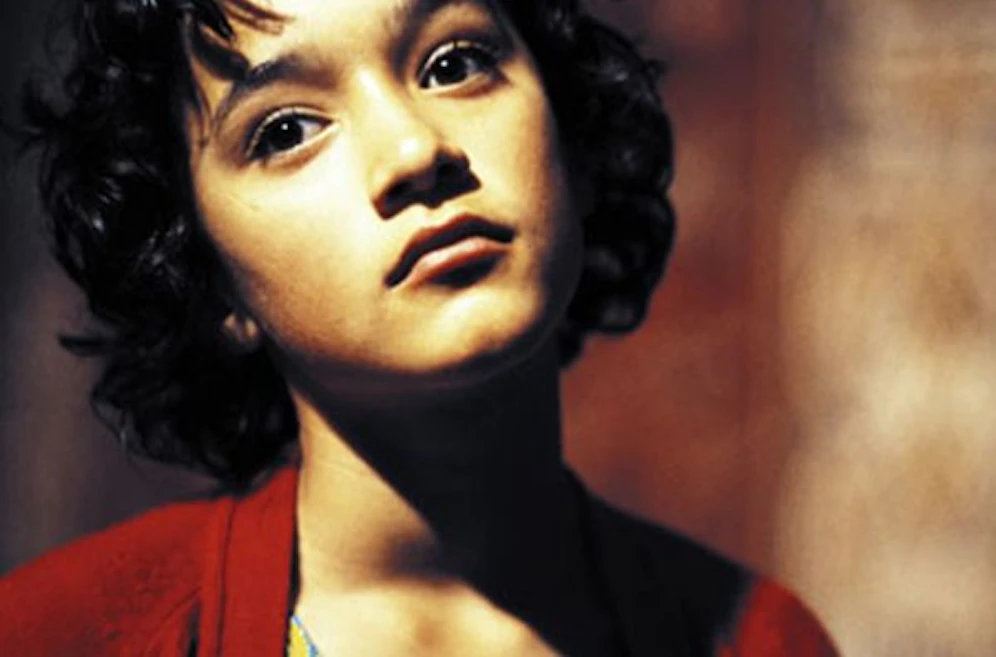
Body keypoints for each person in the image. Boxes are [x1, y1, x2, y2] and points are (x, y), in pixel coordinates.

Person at [0, 0, 838, 654]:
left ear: (571, 135)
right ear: (205, 275)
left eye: (455, 64)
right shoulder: (57, 635)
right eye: (287, 131)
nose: (413, 150)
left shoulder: (760, 639)